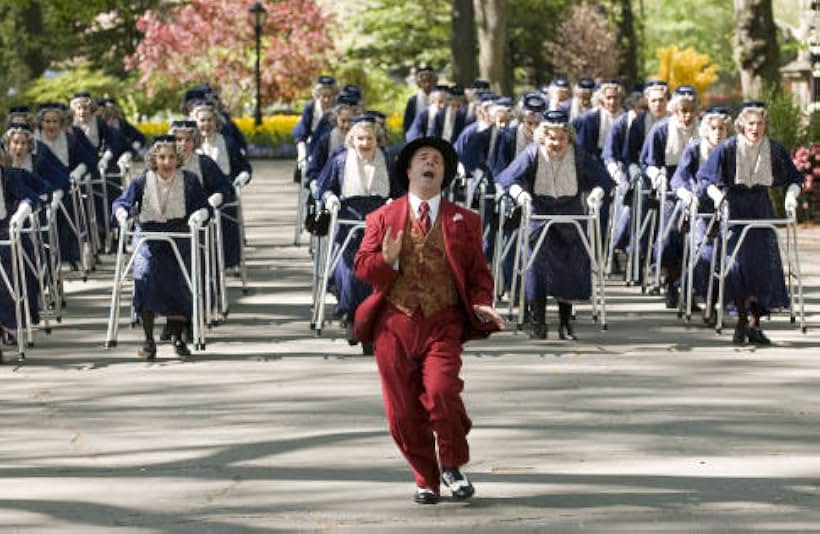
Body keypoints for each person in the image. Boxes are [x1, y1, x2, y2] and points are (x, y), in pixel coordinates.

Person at [353, 136, 505, 504]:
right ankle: (426, 477)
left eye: (437, 160)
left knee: (441, 392)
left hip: (443, 321)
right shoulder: (382, 218)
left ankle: (452, 463)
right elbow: (362, 268)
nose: (430, 163)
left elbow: (478, 276)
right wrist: (386, 262)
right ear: (408, 170)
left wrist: (483, 303)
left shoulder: (465, 220)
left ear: (443, 173)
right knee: (403, 412)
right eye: (423, 158)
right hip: (394, 324)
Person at [495, 110, 614, 340]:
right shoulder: (532, 153)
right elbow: (508, 178)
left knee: (570, 266)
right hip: (540, 212)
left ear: (568, 137)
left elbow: (603, 180)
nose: (556, 143)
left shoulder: (578, 155)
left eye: (561, 138)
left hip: (570, 214)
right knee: (535, 266)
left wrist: (596, 194)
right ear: (542, 137)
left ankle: (565, 322)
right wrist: (520, 195)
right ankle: (537, 320)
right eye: (551, 138)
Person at [697, 101, 804, 345]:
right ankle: (742, 318)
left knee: (763, 266)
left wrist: (791, 194)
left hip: (760, 207)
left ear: (766, 126)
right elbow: (706, 179)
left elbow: (795, 177)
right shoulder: (727, 148)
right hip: (733, 207)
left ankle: (755, 322)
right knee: (735, 267)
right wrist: (717, 197)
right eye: (751, 123)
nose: (755, 128)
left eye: (760, 124)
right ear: (742, 125)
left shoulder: (774, 149)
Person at [112, 136, 210, 359]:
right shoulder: (143, 180)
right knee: (146, 281)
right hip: (148, 239)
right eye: (162, 157)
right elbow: (123, 201)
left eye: (171, 157)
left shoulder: (190, 180)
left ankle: (177, 337)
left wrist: (199, 214)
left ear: (178, 160)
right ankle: (148, 341)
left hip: (178, 238)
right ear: (154, 159)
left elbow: (203, 206)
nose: (166, 162)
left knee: (177, 286)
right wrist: (122, 212)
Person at [315, 116, 403, 352]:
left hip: (379, 215)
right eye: (360, 138)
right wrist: (330, 198)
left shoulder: (388, 160)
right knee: (351, 270)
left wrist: (395, 201)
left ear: (377, 140)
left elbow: (399, 189)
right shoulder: (340, 160)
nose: (365, 143)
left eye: (370, 138)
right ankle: (353, 318)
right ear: (352, 140)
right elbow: (323, 187)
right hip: (348, 217)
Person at [670, 106, 733, 319]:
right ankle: (698, 296)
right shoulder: (695, 149)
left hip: (723, 208)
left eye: (722, 128)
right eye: (713, 128)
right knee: (704, 254)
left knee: (728, 256)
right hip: (698, 207)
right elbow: (678, 179)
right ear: (705, 130)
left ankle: (719, 301)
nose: (717, 132)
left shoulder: (731, 150)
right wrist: (686, 195)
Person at [639, 85, 700, 307]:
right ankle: (670, 282)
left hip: (696, 188)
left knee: (696, 238)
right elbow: (648, 162)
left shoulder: (704, 130)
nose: (687, 115)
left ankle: (692, 286)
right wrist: (657, 176)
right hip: (670, 187)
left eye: (691, 110)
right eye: (682, 110)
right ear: (674, 110)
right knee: (670, 234)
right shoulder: (661, 129)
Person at [0, 150, 40, 357]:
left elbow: (32, 198)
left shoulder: (10, 176)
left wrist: (21, 213)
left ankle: (6, 324)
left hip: (3, 231)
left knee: (5, 271)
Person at [402, 67, 438, 136]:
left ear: (434, 82)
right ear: (419, 83)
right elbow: (407, 123)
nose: (427, 84)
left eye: (429, 81)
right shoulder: (413, 101)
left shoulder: (439, 99)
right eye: (424, 81)